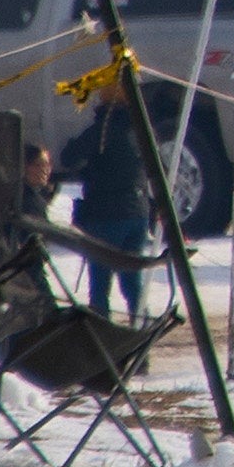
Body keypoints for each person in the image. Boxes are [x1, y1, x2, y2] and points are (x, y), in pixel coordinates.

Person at [68, 81, 158, 322]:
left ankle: (102, 338)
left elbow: (70, 157)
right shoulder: (142, 130)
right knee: (132, 282)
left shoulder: (103, 129)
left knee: (99, 284)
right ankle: (140, 334)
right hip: (137, 214)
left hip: (105, 215)